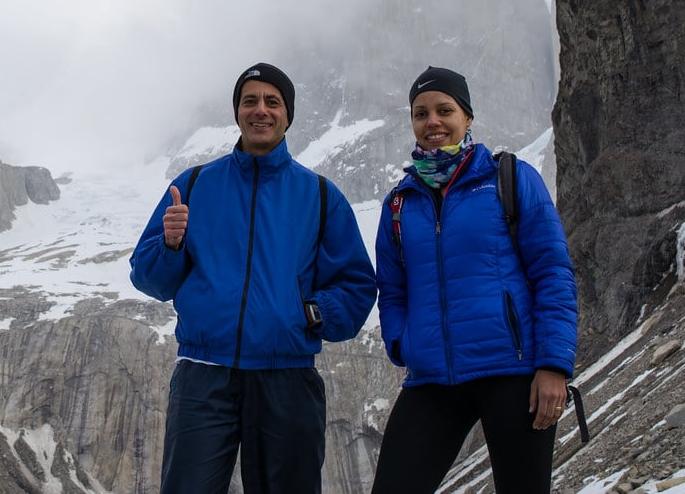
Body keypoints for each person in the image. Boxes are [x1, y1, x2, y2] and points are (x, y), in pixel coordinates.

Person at [130, 62, 376, 494]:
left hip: (288, 378)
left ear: (287, 114)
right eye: (250, 101)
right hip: (203, 376)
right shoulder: (192, 185)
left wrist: (311, 313)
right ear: (238, 112)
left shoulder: (320, 196)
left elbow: (356, 285)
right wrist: (170, 246)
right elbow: (150, 279)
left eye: (272, 101)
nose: (260, 110)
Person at [371, 66, 578, 493]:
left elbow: (552, 273)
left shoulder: (510, 178)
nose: (433, 122)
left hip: (512, 373)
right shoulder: (399, 203)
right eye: (420, 112)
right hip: (432, 380)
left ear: (467, 117)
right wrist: (402, 343)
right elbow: (392, 290)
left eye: (444, 109)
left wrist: (553, 366)